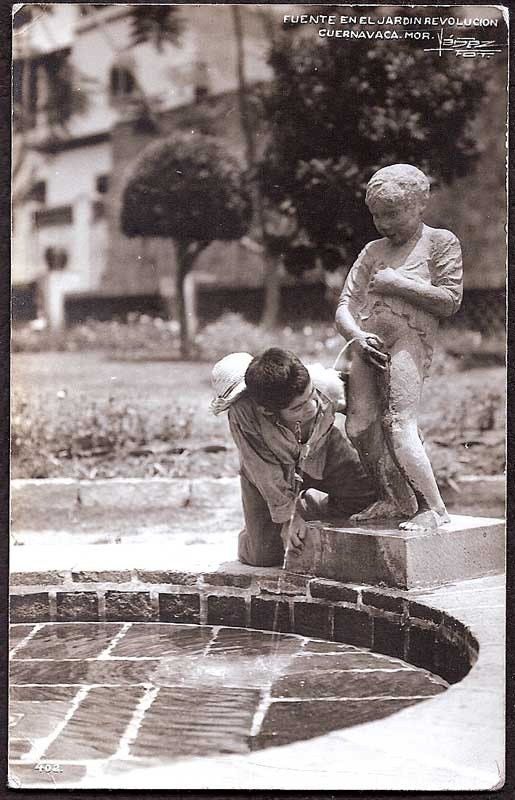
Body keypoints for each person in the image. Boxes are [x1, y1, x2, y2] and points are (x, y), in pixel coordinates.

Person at [335, 164, 463, 531]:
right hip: (367, 343)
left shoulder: (440, 243)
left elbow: (450, 300)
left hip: (410, 338)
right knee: (359, 427)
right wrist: (356, 336)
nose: (383, 224)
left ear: (419, 204)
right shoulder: (373, 250)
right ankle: (393, 498)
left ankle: (433, 509)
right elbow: (344, 305)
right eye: (376, 215)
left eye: (392, 214)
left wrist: (397, 284)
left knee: (399, 423)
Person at [210, 348, 376, 567]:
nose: (312, 408)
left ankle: (308, 505)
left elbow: (371, 412)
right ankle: (256, 530)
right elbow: (264, 470)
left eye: (311, 396)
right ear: (268, 410)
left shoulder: (323, 384)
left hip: (322, 451)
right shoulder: (242, 413)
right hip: (267, 473)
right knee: (264, 555)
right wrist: (288, 518)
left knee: (368, 498)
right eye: (298, 408)